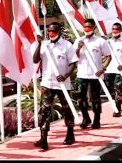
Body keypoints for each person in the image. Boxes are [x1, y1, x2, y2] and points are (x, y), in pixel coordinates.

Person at [32, 22, 78, 150]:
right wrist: (39, 44)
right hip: (47, 83)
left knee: (66, 110)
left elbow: (73, 63)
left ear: (59, 32)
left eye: (54, 31)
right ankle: (43, 138)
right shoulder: (45, 45)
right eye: (49, 31)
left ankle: (70, 133)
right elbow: (35, 60)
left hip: (63, 84)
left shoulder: (67, 46)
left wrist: (66, 75)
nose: (51, 33)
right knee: (44, 111)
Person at [74, 19, 112, 129]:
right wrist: (78, 48)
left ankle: (96, 120)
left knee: (96, 98)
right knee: (81, 98)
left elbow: (108, 56)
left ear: (94, 27)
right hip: (82, 74)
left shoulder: (100, 41)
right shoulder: (78, 40)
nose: (86, 29)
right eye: (85, 27)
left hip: (96, 74)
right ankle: (86, 118)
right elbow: (73, 57)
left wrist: (103, 68)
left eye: (89, 27)